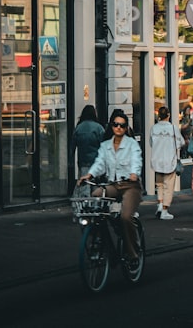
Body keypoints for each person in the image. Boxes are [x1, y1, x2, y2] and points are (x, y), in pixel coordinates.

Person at [77, 109, 143, 267]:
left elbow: (136, 160)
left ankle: (133, 254)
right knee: (95, 200)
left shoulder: (131, 144)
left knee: (126, 217)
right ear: (111, 126)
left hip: (129, 186)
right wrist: (90, 175)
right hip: (112, 185)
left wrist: (134, 173)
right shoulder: (106, 145)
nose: (118, 127)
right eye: (115, 124)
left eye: (122, 125)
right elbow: (100, 162)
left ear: (126, 128)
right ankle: (99, 241)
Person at [150, 106, 185, 220]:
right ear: (168, 115)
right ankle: (165, 210)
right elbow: (181, 142)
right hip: (170, 160)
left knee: (159, 184)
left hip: (157, 160)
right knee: (168, 186)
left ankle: (160, 204)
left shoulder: (154, 128)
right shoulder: (173, 128)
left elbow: (151, 143)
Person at [70, 105, 104, 197]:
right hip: (96, 161)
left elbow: (72, 146)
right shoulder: (98, 128)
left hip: (83, 161)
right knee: (95, 185)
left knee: (84, 184)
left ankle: (83, 203)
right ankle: (94, 205)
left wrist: (71, 161)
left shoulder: (79, 128)